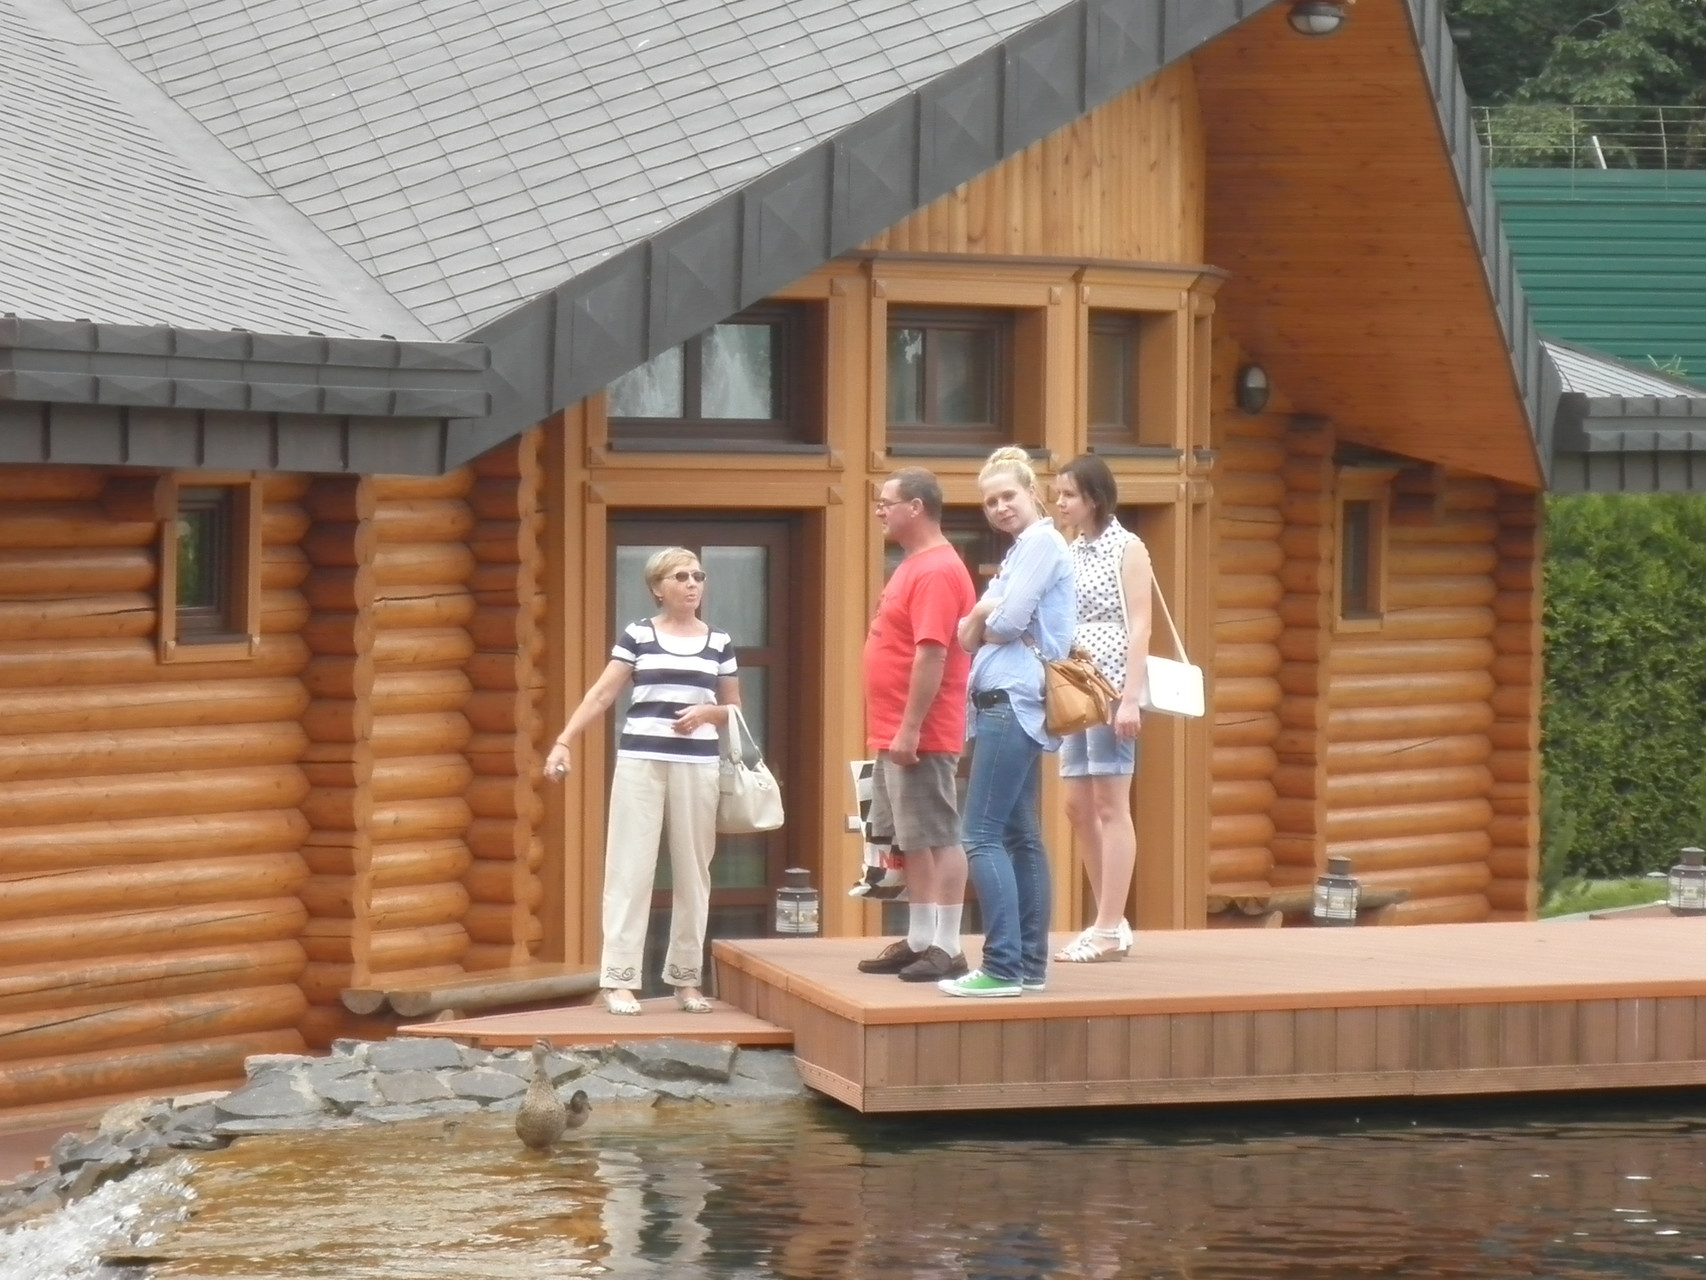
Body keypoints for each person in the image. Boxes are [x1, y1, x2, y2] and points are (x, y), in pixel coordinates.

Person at [543, 547, 738, 1016]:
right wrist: (564, 740)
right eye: (680, 577)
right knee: (630, 868)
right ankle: (620, 980)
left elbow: (734, 709)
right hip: (640, 763)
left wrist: (709, 712)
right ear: (657, 587)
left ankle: (686, 980)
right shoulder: (638, 636)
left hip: (698, 765)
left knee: (694, 870)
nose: (692, 584)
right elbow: (602, 693)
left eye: (698, 576)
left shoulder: (719, 642)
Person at [941, 447, 1075, 998]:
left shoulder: (1042, 543)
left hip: (1012, 702)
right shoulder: (1023, 550)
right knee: (1020, 835)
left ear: (1032, 493)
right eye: (990, 501)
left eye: (1008, 496)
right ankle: (1028, 964)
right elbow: (968, 630)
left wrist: (981, 617)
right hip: (1007, 702)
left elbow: (1008, 619)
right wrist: (981, 618)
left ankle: (1000, 966)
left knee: (980, 835)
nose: (999, 507)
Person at [856, 468, 979, 983]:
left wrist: (910, 729)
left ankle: (949, 947)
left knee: (939, 834)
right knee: (910, 840)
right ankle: (921, 939)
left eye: (888, 502)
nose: (880, 510)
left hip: (921, 732)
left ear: (917, 508)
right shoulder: (911, 566)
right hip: (893, 729)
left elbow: (932, 653)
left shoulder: (936, 571)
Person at [1051, 453, 1154, 963]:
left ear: (1093, 497)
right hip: (1076, 686)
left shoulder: (1127, 547)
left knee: (1113, 804)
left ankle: (1109, 927)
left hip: (1113, 685)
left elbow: (1141, 624)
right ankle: (1106, 918)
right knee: (1076, 804)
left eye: (1068, 494)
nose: (1060, 502)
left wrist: (1131, 698)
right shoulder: (1072, 550)